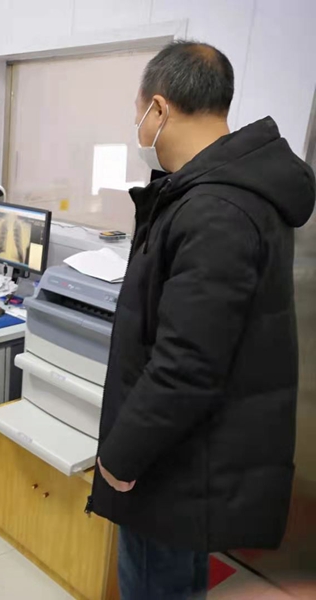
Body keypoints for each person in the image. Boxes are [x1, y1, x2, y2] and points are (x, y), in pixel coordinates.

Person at [90, 40, 315, 599]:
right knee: (179, 576)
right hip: (191, 449)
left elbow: (187, 364)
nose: (139, 129)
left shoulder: (214, 210)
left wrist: (121, 454)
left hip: (175, 460)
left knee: (154, 581)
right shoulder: (222, 193)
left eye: (139, 114)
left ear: (159, 108)